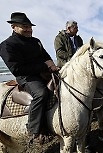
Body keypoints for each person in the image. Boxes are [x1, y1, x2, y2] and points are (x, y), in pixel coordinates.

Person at [0, 12, 59, 144]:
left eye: (30, 27)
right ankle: (34, 130)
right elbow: (17, 69)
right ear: (13, 27)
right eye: (24, 26)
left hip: (44, 72)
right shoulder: (7, 45)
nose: (29, 29)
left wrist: (52, 65)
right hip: (27, 77)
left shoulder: (36, 41)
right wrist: (43, 66)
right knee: (41, 93)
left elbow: (46, 55)